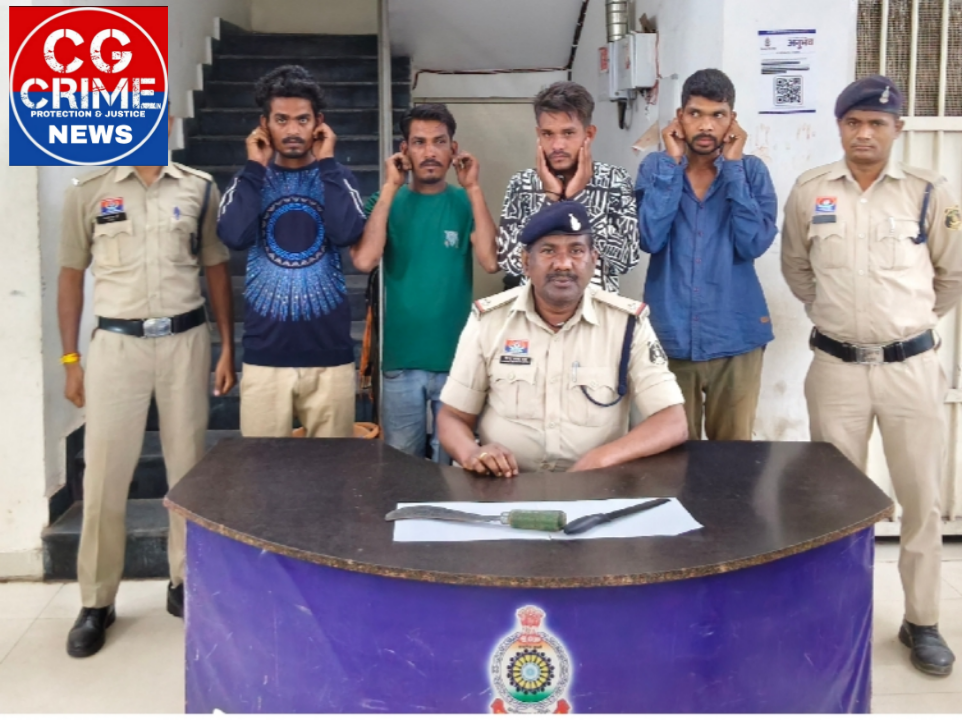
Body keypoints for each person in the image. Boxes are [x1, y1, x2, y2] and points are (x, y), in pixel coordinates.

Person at [782, 76, 962, 677]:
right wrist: (838, 319)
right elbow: (797, 268)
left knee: (921, 500)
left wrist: (905, 326)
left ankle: (922, 621)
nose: (864, 133)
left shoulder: (928, 192)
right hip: (836, 369)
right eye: (854, 122)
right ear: (839, 126)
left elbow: (952, 275)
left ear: (897, 129)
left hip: (911, 369)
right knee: (835, 504)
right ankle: (840, 615)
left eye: (877, 124)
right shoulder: (810, 191)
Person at [57, 109, 235, 657]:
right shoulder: (89, 191)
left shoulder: (200, 188)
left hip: (184, 341)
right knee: (104, 475)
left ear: (170, 121)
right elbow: (70, 275)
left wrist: (227, 345)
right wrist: (70, 360)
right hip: (116, 346)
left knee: (187, 471)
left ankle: (184, 581)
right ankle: (97, 600)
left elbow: (215, 267)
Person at [437, 201, 688, 476]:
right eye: (548, 251)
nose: (563, 264)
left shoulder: (627, 325)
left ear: (594, 259)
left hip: (596, 485)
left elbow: (672, 422)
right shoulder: (489, 321)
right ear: (526, 262)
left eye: (576, 251)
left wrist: (601, 459)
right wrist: (472, 453)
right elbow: (453, 417)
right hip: (506, 484)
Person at [218, 65, 367, 438]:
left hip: (329, 357)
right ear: (264, 125)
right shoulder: (249, 179)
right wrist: (255, 166)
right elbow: (233, 235)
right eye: (281, 120)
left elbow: (347, 232)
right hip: (266, 357)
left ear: (319, 123)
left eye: (302, 119)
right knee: (263, 471)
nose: (293, 130)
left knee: (334, 470)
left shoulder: (338, 178)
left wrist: (328, 161)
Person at [635, 68, 778, 442]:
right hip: (669, 337)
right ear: (679, 116)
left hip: (736, 338)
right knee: (672, 456)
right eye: (695, 113)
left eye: (718, 115)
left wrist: (732, 168)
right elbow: (649, 238)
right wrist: (672, 164)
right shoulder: (656, 167)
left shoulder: (751, 172)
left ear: (733, 121)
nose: (705, 125)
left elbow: (753, 244)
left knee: (732, 459)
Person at [351, 104, 498, 462]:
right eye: (419, 142)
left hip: (456, 363)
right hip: (400, 361)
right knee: (402, 464)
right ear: (404, 151)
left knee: (450, 465)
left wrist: (473, 187)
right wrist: (390, 186)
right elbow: (365, 260)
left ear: (453, 149)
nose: (430, 152)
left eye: (439, 142)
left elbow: (491, 261)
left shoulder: (464, 201)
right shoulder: (386, 201)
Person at [498, 81, 640, 293]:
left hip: (597, 309)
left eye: (568, 133)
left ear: (589, 134)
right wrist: (550, 199)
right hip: (538, 309)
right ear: (538, 134)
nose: (557, 145)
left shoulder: (615, 180)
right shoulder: (522, 184)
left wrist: (579, 199)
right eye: (548, 134)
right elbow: (509, 262)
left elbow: (627, 260)